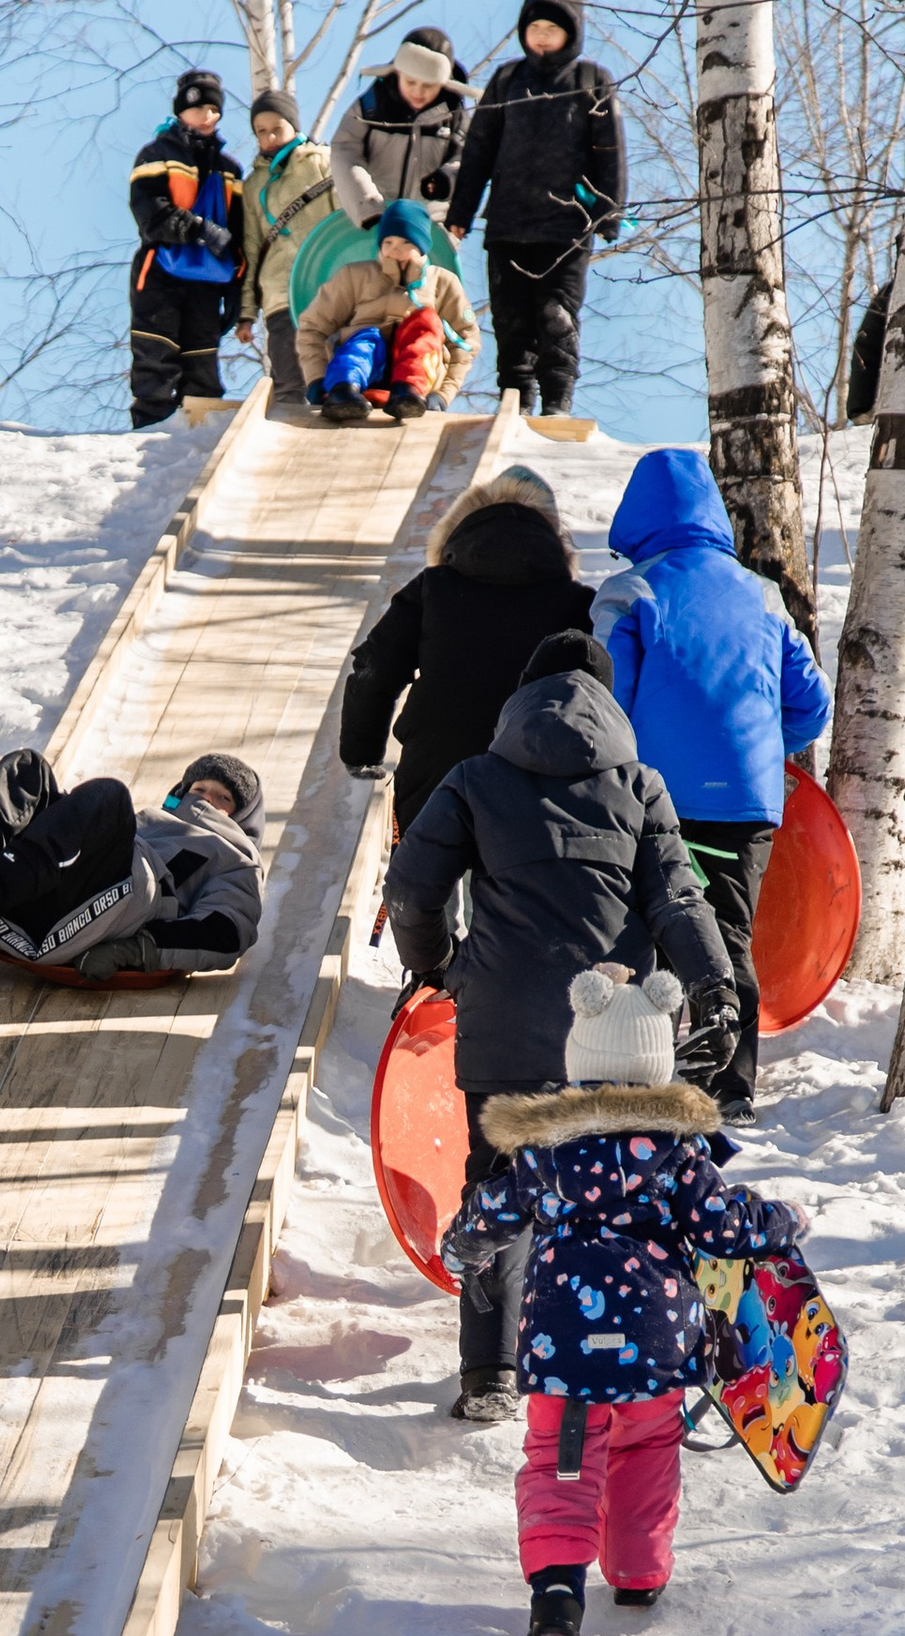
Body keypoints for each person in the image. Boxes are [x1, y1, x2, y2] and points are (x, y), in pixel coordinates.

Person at [383, 631, 731, 1424]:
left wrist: (442, 966)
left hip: (505, 1020)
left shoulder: (475, 779)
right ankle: (624, 1352)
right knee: (626, 1190)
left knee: (497, 1186)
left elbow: (410, 888)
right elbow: (678, 899)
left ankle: (490, 1374)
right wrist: (713, 986)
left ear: (521, 697)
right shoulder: (640, 786)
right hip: (617, 1036)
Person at [444, 961, 807, 1636]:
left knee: (561, 1458)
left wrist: (462, 1247)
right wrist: (782, 1220)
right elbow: (725, 1227)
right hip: (655, 1342)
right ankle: (638, 1572)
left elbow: (492, 1210)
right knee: (645, 1450)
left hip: (562, 1345)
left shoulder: (544, 1154)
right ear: (659, 1063)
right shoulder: (677, 1155)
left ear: (579, 1060)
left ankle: (557, 1588)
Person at [594, 445, 832, 1117]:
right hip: (747, 803)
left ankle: (645, 1071)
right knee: (728, 934)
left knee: (647, 930)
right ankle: (731, 1086)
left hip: (655, 799)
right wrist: (756, 748)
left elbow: (605, 701)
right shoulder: (762, 594)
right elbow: (812, 705)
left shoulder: (631, 592)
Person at [338, 461, 594, 831]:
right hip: (538, 774)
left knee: (424, 864)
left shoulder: (433, 588)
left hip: (436, 768)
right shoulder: (576, 603)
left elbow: (375, 668)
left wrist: (361, 750)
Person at [0, 751, 265, 978]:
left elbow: (226, 933)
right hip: (48, 903)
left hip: (120, 908)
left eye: (222, 798)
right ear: (181, 792)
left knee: (109, 795)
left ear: (241, 818)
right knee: (27, 769)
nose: (206, 799)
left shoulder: (237, 859)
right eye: (199, 789)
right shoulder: (152, 821)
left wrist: (134, 951)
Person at [445, 0, 626, 414]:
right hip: (508, 225)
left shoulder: (590, 80)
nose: (542, 36)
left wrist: (609, 212)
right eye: (535, 27)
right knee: (511, 320)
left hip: (567, 228)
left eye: (552, 29)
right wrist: (461, 211)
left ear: (572, 33)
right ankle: (515, 402)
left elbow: (610, 150)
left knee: (556, 315)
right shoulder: (507, 80)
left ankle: (557, 400)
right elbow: (478, 150)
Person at [294, 199, 479, 427]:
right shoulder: (355, 276)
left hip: (419, 378)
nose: (394, 250)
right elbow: (313, 327)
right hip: (367, 373)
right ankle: (344, 389)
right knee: (366, 338)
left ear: (421, 245)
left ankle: (408, 392)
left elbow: (466, 342)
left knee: (425, 321)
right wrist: (316, 380)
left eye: (405, 242)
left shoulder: (442, 282)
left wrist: (443, 395)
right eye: (388, 241)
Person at [128, 70, 245, 429]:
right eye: (197, 108)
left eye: (213, 109)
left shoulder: (230, 170)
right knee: (156, 356)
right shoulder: (156, 154)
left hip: (207, 282)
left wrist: (238, 290)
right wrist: (197, 229)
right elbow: (150, 212)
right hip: (160, 272)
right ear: (180, 111)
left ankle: (199, 440)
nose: (206, 116)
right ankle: (148, 435)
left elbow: (241, 235)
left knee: (202, 361)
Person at [237, 92, 337, 405]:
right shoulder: (253, 186)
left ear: (293, 125)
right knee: (288, 379)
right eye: (261, 131)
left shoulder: (322, 161)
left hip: (327, 284)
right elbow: (251, 248)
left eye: (276, 128)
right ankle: (287, 417)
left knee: (335, 366)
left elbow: (346, 223)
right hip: (279, 291)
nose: (269, 137)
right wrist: (246, 312)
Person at [325, 27, 472, 232]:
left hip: (429, 229)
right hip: (375, 220)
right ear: (398, 72)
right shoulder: (370, 107)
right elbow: (345, 152)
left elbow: (469, 160)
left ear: (443, 84)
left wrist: (447, 180)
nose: (418, 91)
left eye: (428, 85)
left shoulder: (455, 117)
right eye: (410, 82)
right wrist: (367, 207)